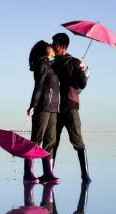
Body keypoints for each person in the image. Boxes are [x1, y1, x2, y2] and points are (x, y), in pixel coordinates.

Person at [51, 33, 91, 183]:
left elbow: (82, 85)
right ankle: (50, 173)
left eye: (55, 44)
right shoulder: (53, 64)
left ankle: (85, 174)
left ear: (62, 46)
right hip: (54, 108)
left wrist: (82, 70)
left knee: (77, 141)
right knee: (53, 142)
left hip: (71, 107)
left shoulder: (74, 62)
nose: (52, 46)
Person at [25, 40, 60, 184]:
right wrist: (33, 105)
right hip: (43, 106)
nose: (52, 48)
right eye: (49, 46)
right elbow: (38, 86)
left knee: (50, 140)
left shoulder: (51, 66)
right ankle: (28, 173)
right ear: (44, 50)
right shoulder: (41, 65)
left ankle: (48, 173)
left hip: (53, 108)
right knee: (36, 140)